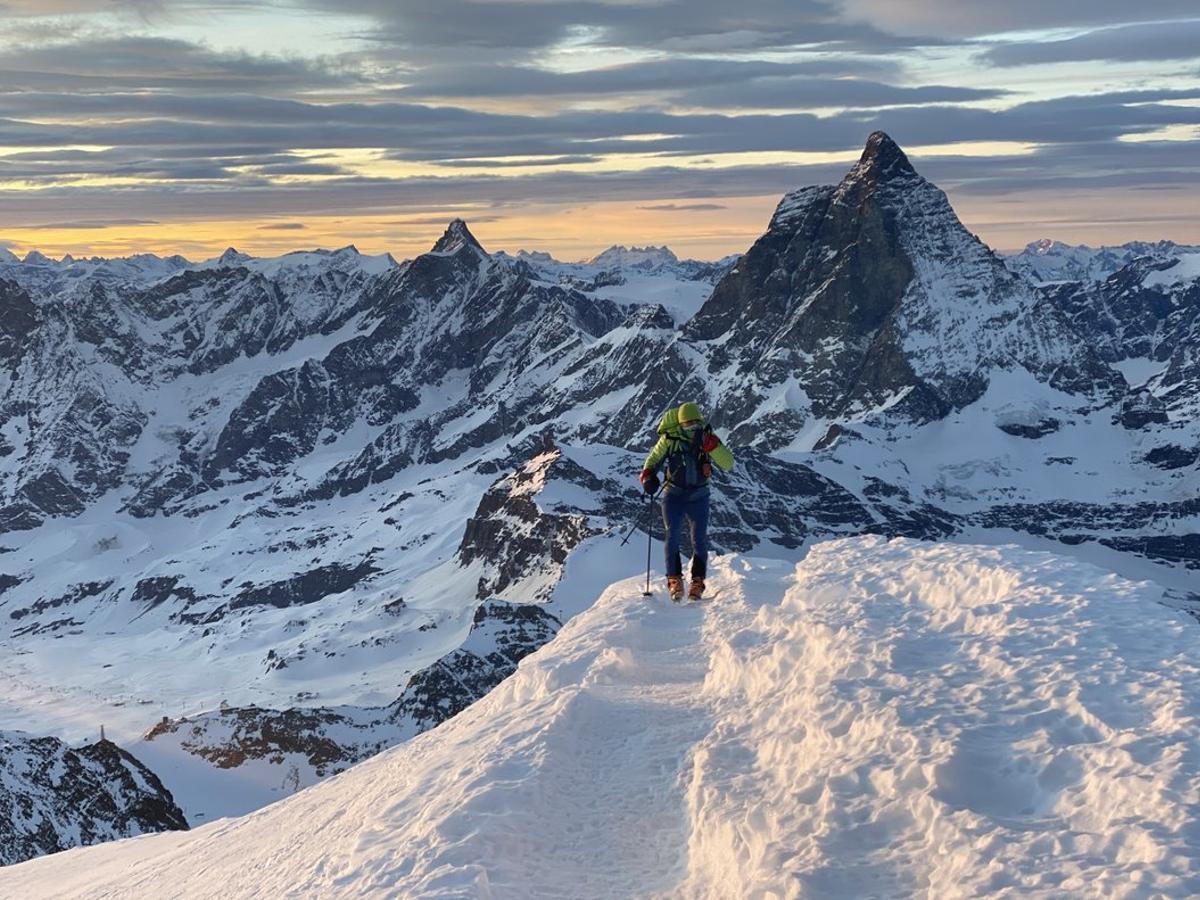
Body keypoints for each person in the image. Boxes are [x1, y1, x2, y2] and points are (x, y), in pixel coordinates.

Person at [639, 401, 735, 602]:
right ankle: (675, 580)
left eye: (694, 424)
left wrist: (714, 446)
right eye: (687, 425)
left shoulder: (707, 439)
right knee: (672, 534)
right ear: (680, 424)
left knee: (697, 539)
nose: (691, 429)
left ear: (700, 422)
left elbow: (728, 463)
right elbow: (653, 459)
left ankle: (696, 583)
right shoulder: (669, 439)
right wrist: (648, 476)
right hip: (677, 495)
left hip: (695, 496)